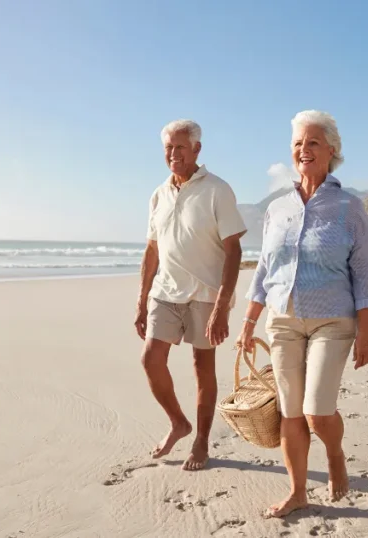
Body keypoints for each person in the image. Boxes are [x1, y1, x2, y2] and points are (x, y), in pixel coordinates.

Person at [235, 110, 368, 517]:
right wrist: (249, 322)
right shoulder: (278, 209)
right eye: (298, 143)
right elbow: (265, 268)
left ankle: (334, 454)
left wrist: (366, 331)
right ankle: (298, 491)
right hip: (282, 320)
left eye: (313, 142)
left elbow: (366, 272)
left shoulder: (349, 208)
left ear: (331, 151)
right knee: (290, 411)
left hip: (333, 321)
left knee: (318, 411)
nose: (304, 149)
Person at [135, 119, 247, 471]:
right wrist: (141, 300)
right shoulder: (159, 193)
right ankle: (179, 423)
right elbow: (152, 250)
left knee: (203, 367)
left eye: (180, 147)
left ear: (197, 149)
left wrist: (222, 306)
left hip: (205, 293)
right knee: (151, 360)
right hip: (165, 291)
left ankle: (201, 439)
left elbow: (234, 250)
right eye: (168, 147)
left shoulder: (217, 189)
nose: (173, 154)